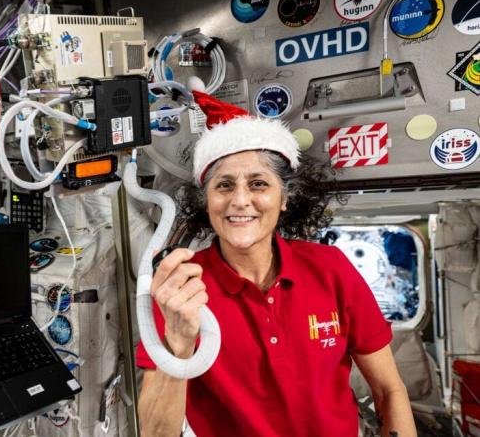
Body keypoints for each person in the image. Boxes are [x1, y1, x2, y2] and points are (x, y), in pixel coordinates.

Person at [135, 91, 416, 437]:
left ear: (284, 198)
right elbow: (155, 433)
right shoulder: (181, 290)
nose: (240, 200)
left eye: (258, 184)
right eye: (224, 186)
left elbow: (390, 390)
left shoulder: (331, 268)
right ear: (206, 202)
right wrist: (178, 340)